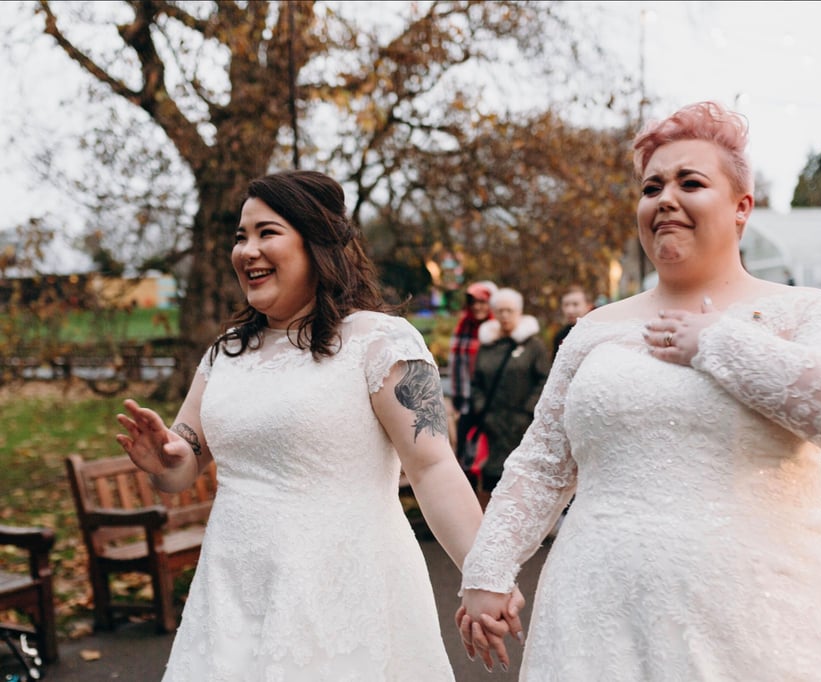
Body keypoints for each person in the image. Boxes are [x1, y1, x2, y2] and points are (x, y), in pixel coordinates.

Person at [456, 102, 821, 680]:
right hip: (598, 615)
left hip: (763, 615)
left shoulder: (804, 312)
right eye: (652, 187)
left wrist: (719, 346)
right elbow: (543, 463)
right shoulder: (593, 332)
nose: (665, 199)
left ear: (741, 208)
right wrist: (487, 570)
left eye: (691, 182)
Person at [113, 170, 494, 680]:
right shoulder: (226, 353)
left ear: (317, 243)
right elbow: (183, 461)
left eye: (267, 232)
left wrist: (485, 574)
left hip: (341, 590)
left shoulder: (379, 342)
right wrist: (164, 459)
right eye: (240, 237)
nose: (247, 250)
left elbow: (432, 469)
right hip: (233, 589)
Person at [469, 287, 550, 509]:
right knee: (492, 478)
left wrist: (528, 411)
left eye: (509, 310)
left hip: (522, 425)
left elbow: (545, 380)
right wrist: (481, 408)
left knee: (523, 475)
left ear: (519, 312)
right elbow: (476, 382)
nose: (504, 315)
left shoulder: (534, 346)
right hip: (492, 424)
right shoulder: (487, 345)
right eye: (500, 310)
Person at [449, 280, 497, 477]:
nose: (478, 307)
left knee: (491, 454)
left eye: (482, 302)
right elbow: (456, 365)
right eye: (474, 302)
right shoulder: (463, 328)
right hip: (466, 399)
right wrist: (457, 398)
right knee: (464, 451)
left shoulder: (496, 329)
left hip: (490, 400)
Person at [551, 284, 594, 360]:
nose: (570, 310)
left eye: (575, 304)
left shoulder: (596, 332)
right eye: (566, 305)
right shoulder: (560, 336)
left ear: (588, 306)